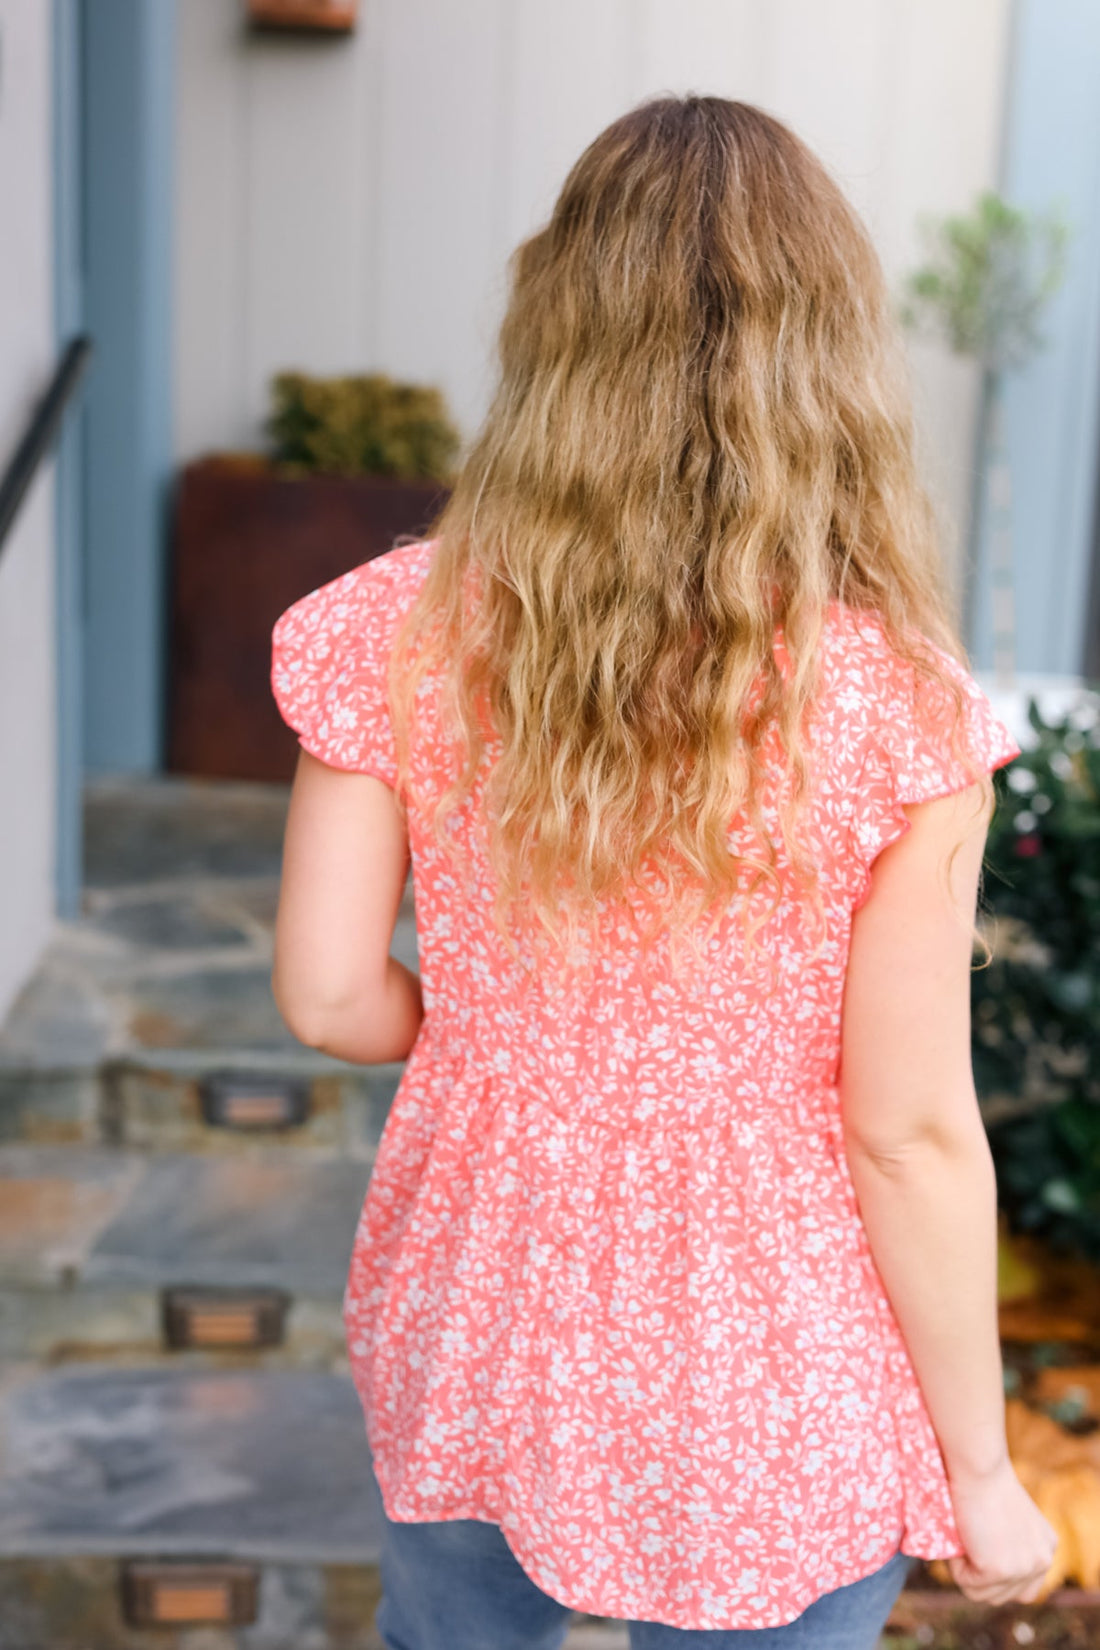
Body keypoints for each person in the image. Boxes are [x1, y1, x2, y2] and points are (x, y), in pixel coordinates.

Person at [269, 95, 1058, 1649]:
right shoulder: (900, 708)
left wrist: (496, 1035)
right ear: (825, 357)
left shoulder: (394, 628)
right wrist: (985, 1467)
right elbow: (903, 1132)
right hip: (775, 1368)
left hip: (480, 1304)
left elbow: (324, 992)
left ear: (558, 324)